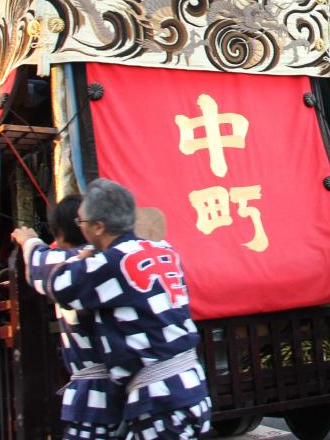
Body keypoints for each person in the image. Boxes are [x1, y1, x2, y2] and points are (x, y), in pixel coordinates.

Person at [46, 180, 209, 440]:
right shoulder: (164, 249)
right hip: (191, 384)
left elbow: (60, 285)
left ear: (98, 226)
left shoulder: (110, 262)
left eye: (82, 223)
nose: (81, 229)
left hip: (161, 397)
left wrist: (81, 255)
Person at [13, 195, 123, 440]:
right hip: (132, 384)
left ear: (60, 234)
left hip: (95, 390)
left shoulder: (72, 263)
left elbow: (39, 262)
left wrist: (28, 240)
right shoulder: (116, 256)